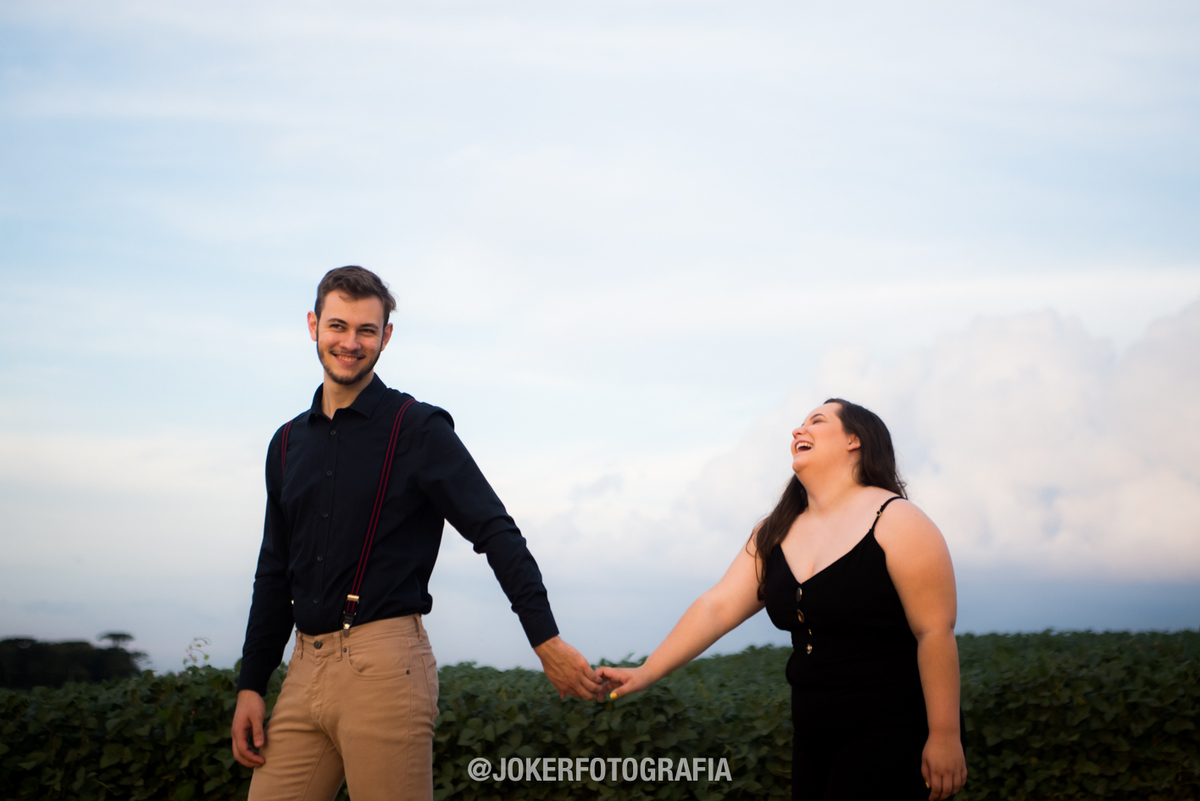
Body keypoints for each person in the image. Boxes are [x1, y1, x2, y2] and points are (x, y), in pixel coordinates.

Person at [230, 266, 604, 801]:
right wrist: (252, 682)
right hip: (302, 669)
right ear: (313, 325)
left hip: (384, 668)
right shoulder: (286, 443)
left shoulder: (418, 428)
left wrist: (544, 638)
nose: (350, 343)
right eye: (338, 326)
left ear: (386, 336)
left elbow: (495, 531)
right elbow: (273, 571)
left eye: (366, 330)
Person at [597, 399, 968, 801]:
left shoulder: (899, 521)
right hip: (812, 733)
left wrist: (944, 736)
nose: (798, 430)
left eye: (817, 421)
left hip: (893, 728)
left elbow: (934, 632)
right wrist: (646, 671)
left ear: (854, 440)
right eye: (799, 424)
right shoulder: (774, 531)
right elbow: (717, 607)